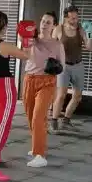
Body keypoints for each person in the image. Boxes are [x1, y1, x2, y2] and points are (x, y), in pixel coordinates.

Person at [0, 11, 30, 182]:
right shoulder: (4, 46)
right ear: (4, 26)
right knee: (1, 127)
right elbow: (26, 55)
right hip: (4, 88)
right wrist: (25, 38)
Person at [22, 11, 65, 168]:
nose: (44, 24)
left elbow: (62, 66)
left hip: (47, 82)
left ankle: (40, 155)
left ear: (54, 26)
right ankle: (37, 145)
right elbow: (24, 55)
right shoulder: (31, 39)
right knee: (30, 116)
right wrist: (24, 41)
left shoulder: (57, 45)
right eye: (43, 21)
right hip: (29, 79)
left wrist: (54, 67)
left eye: (48, 22)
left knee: (38, 117)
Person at [52, 5, 92, 131]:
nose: (75, 20)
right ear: (66, 18)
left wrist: (90, 34)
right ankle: (54, 122)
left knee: (77, 96)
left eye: (76, 17)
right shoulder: (59, 29)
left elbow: (89, 47)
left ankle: (66, 120)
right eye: (72, 18)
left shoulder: (81, 29)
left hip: (78, 65)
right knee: (61, 95)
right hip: (63, 66)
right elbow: (51, 47)